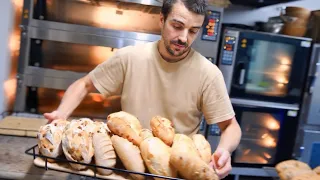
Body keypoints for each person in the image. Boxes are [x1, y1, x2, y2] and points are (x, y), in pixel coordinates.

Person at [44, 0, 242, 179]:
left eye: (193, 31)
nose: (183, 38)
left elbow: (231, 127)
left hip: (174, 172)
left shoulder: (208, 74)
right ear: (162, 20)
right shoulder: (131, 58)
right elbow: (84, 84)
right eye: (177, 26)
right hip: (127, 167)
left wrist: (224, 151)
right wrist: (61, 114)